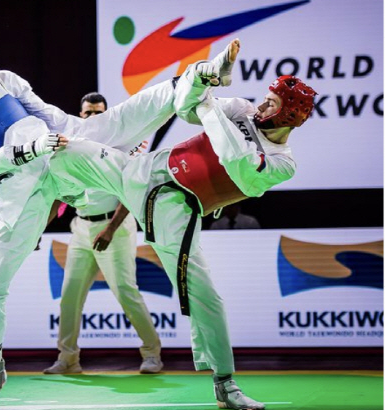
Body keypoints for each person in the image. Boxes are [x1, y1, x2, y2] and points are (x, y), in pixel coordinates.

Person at [0, 11, 235, 410]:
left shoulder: (4, 80)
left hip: (58, 156)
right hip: (20, 196)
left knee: (123, 119)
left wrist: (93, 133)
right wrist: (26, 151)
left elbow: (50, 116)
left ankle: (199, 77)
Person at [49, 40, 317, 410]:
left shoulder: (282, 163)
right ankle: (11, 194)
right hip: (142, 172)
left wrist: (208, 106)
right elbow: (186, 105)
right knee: (64, 149)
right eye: (267, 97)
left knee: (206, 296)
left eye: (273, 103)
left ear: (291, 116)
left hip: (176, 211)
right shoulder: (242, 108)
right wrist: (206, 78)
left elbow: (235, 157)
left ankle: (225, 384)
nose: (262, 104)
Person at [43, 92, 162, 375]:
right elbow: (60, 193)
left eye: (99, 113)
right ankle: (68, 358)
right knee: (70, 294)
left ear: (108, 115)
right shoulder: (72, 146)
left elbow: (131, 192)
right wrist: (37, 228)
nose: (93, 118)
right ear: (80, 116)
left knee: (125, 291)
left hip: (115, 227)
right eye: (88, 113)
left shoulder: (125, 146)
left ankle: (152, 354)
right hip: (81, 227)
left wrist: (110, 230)